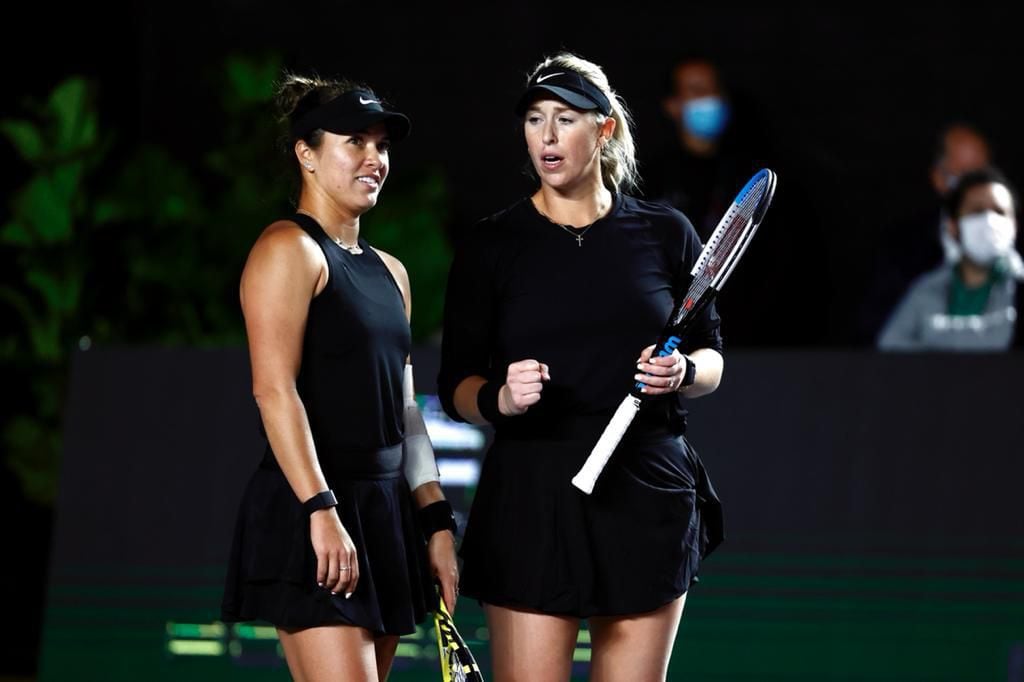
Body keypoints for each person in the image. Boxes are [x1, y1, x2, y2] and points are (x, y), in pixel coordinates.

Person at [437, 53, 726, 681]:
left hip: (645, 487)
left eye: (564, 118)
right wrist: (499, 400)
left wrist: (683, 374)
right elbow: (455, 384)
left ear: (604, 130)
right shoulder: (492, 246)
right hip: (532, 495)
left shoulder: (666, 233)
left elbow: (711, 357)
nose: (546, 136)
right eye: (535, 118)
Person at [220, 73, 459, 681]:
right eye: (355, 142)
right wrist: (319, 509)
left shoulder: (393, 274)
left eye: (381, 145)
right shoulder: (287, 250)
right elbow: (273, 389)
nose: (374, 158)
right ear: (306, 153)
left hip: (385, 514)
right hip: (317, 506)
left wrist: (433, 519)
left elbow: (405, 413)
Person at [859, 123, 993, 344]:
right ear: (939, 179)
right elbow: (874, 328)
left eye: (983, 177)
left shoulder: (1013, 248)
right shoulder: (903, 247)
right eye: (964, 176)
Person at [877, 166, 1022, 350]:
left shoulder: (1018, 288)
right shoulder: (925, 289)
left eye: (999, 212)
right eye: (977, 211)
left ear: (1014, 225)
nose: (989, 221)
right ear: (953, 226)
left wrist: (935, 339)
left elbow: (1003, 344)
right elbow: (889, 347)